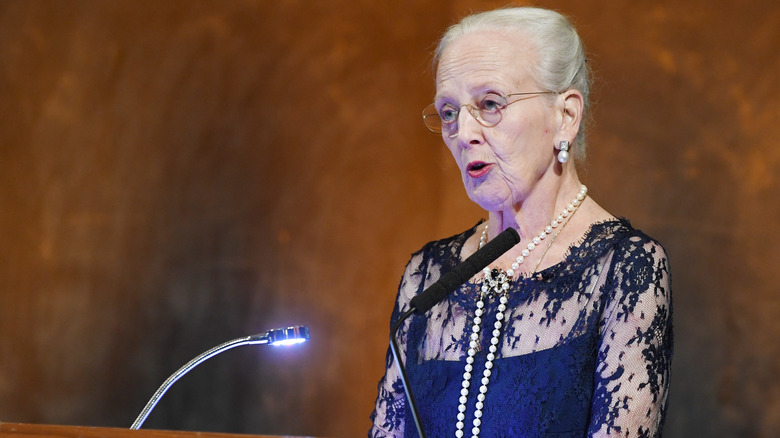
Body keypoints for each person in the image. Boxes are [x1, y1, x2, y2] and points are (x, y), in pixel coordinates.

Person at [369, 6, 673, 438]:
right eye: (450, 111)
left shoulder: (626, 269)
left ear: (565, 116)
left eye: (490, 103)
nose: (464, 132)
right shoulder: (428, 277)